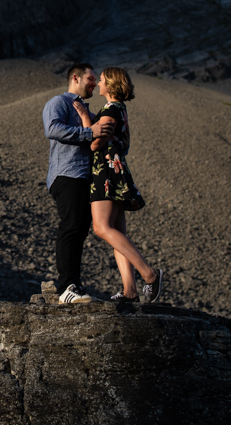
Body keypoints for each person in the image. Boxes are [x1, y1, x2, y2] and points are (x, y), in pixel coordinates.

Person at [72, 67, 162, 303]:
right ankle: (130, 290)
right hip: (115, 170)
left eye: (100, 80)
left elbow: (93, 144)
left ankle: (149, 274)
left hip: (106, 173)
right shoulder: (119, 110)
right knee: (117, 233)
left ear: (110, 86)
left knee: (102, 228)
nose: (97, 84)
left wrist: (84, 118)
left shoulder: (111, 110)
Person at [42, 63, 113, 304]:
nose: (94, 83)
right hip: (67, 174)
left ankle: (74, 285)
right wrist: (89, 132)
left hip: (84, 177)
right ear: (76, 78)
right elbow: (52, 129)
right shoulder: (59, 102)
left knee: (80, 229)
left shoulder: (87, 112)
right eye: (90, 78)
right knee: (71, 226)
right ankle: (66, 288)